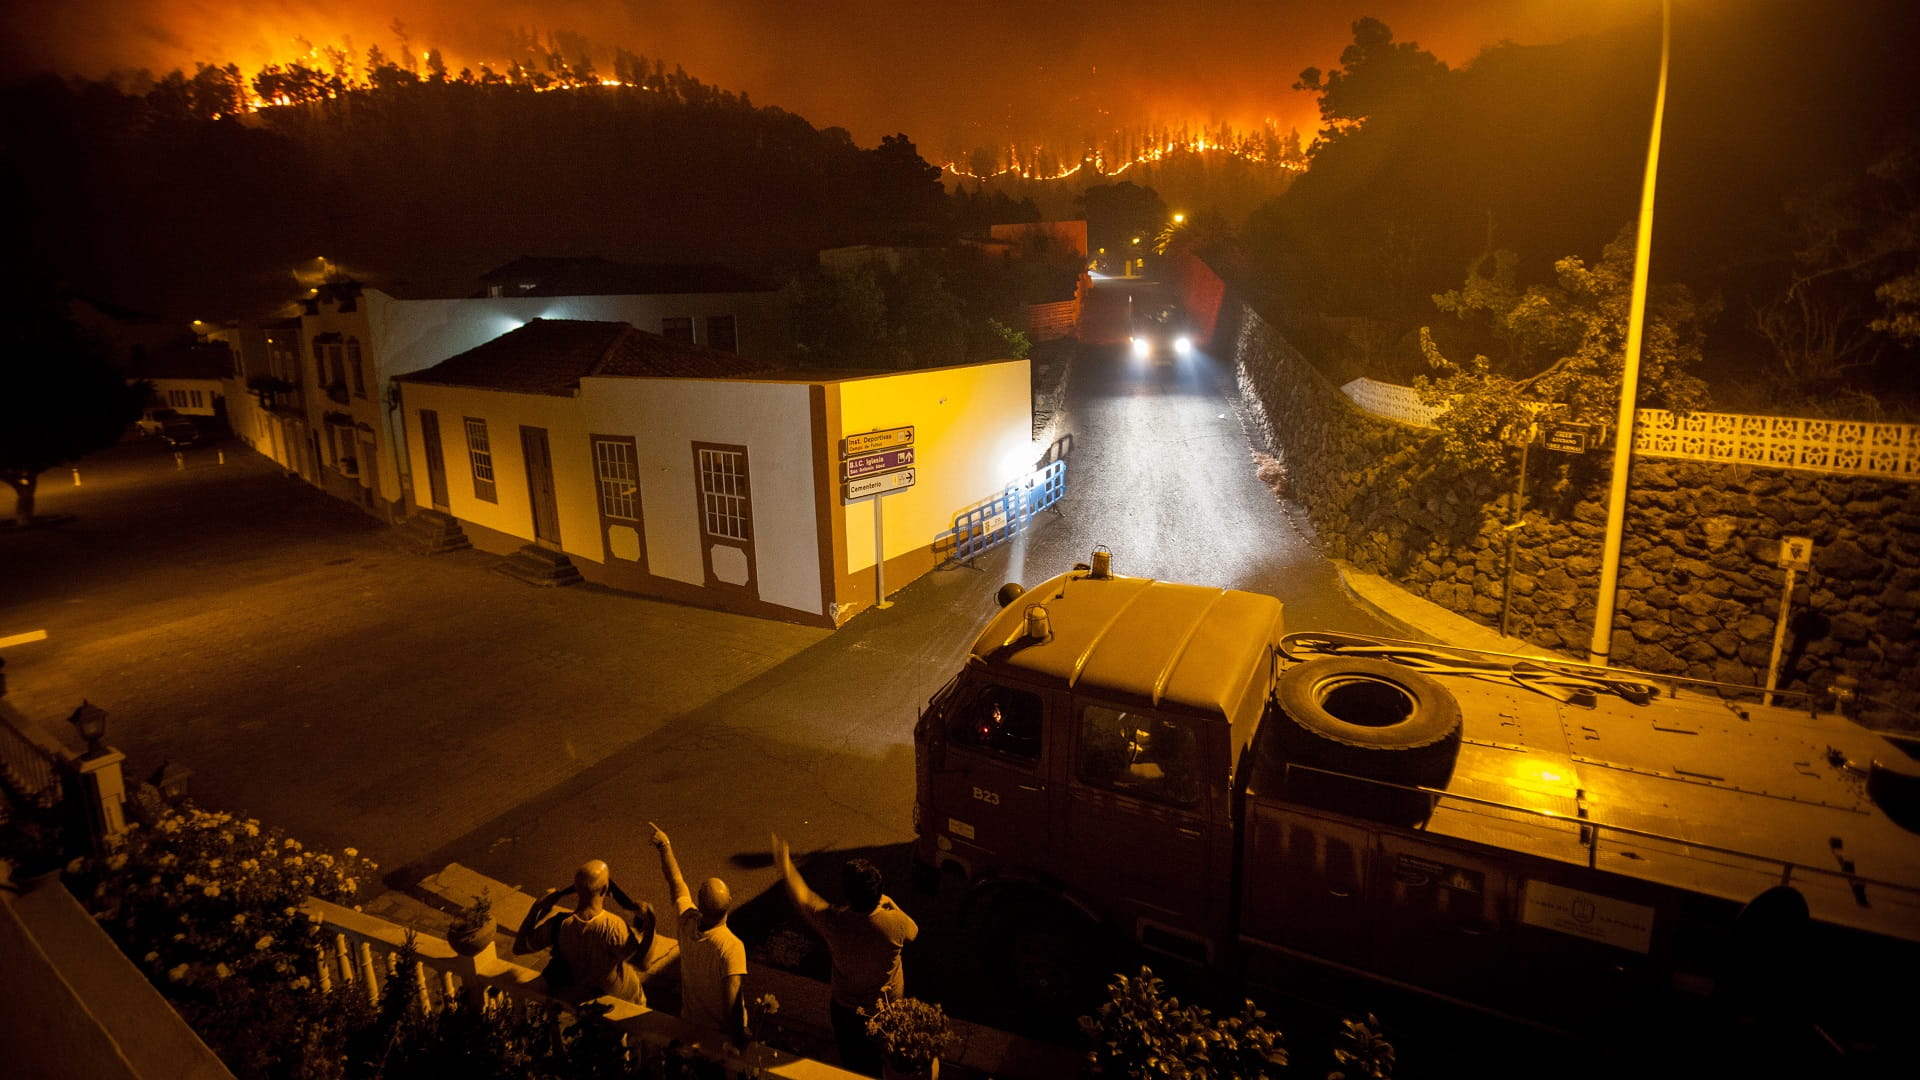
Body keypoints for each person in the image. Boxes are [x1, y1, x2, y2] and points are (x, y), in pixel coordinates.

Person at [772, 833, 918, 1077]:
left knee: (853, 1065)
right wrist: (890, 903)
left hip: (847, 1011)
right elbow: (914, 931)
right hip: (888, 1009)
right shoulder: (895, 923)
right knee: (886, 1062)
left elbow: (804, 898)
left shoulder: (836, 923)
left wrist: (786, 865)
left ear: (848, 895)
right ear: (878, 892)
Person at [648, 822, 749, 1049]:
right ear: (730, 904)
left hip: (690, 1022)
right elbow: (731, 1004)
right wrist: (738, 1040)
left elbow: (676, 883)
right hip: (719, 1037)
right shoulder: (731, 947)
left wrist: (665, 846)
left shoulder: (687, 922)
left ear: (700, 905)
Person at [513, 858, 656, 1006]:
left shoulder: (557, 925)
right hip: (622, 1001)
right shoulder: (614, 927)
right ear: (606, 889)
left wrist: (536, 908)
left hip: (584, 1000)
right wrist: (650, 921)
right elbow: (643, 964)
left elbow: (519, 948)